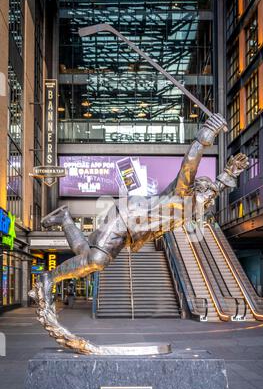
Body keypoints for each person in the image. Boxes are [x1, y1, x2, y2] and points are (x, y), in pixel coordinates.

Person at [34, 113, 248, 306]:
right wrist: (207, 133)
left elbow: (214, 190)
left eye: (209, 198)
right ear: (196, 188)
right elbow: (190, 162)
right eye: (205, 194)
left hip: (131, 232)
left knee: (85, 253)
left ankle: (64, 219)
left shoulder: (191, 208)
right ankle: (48, 278)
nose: (208, 200)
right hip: (127, 220)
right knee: (96, 261)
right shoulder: (183, 193)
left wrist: (228, 175)